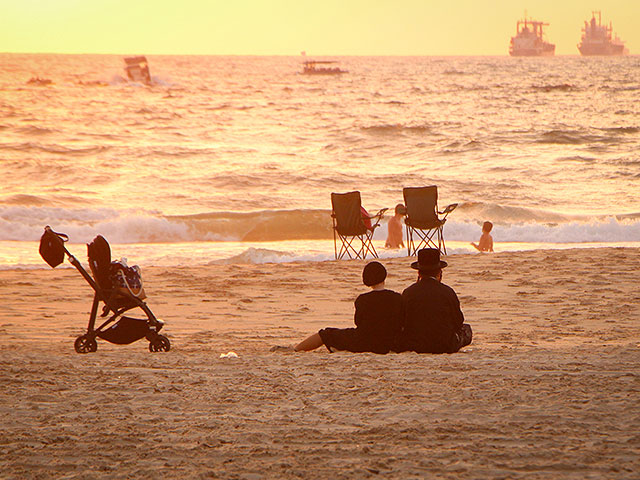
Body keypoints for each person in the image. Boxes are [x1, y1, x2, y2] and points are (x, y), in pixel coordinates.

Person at [295, 261, 403, 354]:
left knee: (326, 334)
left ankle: (297, 350)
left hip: (364, 341)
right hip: (390, 342)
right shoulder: (397, 297)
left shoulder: (362, 299)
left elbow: (358, 322)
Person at [397, 248, 472, 354]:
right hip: (444, 345)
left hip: (415, 344)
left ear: (419, 273)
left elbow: (403, 321)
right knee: (467, 329)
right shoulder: (447, 292)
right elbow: (458, 321)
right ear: (439, 273)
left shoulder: (408, 292)